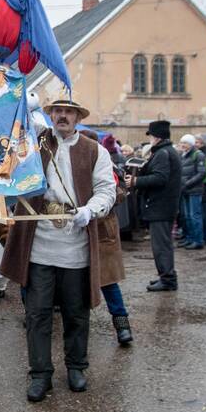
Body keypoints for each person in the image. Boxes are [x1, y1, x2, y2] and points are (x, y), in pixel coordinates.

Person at [0, 99, 115, 400]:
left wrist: (91, 210)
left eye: (69, 111)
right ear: (50, 115)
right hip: (39, 244)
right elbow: (9, 169)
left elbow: (107, 188)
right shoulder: (34, 145)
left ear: (78, 116)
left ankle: (76, 366)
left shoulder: (94, 150)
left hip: (75, 242)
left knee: (76, 312)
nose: (62, 116)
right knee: (37, 313)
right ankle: (40, 374)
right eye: (57, 111)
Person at [81, 129, 133, 347]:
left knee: (108, 282)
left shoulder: (107, 165)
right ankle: (78, 327)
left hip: (102, 231)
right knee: (76, 281)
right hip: (80, 232)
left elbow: (121, 192)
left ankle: (122, 326)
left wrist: (102, 200)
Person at [127, 121, 182, 291]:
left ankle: (168, 279)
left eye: (150, 135)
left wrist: (135, 181)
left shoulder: (163, 153)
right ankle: (166, 276)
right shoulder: (165, 151)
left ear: (156, 137)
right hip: (163, 206)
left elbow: (160, 178)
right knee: (162, 244)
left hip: (161, 207)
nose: (149, 138)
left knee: (161, 246)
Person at [177, 134, 206, 250]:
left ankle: (198, 240)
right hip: (185, 190)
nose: (183, 145)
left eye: (186, 143)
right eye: (182, 142)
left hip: (194, 190)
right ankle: (189, 238)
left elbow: (201, 173)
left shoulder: (198, 155)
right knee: (187, 216)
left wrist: (187, 183)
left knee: (195, 216)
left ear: (191, 144)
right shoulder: (182, 155)